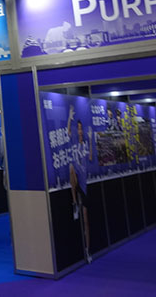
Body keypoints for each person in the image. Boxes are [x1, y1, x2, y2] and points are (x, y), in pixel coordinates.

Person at [67, 105, 94, 262]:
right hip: (75, 181)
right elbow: (68, 132)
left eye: (80, 129)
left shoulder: (83, 146)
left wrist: (90, 140)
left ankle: (88, 251)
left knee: (86, 221)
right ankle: (74, 203)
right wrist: (69, 117)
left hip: (84, 185)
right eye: (77, 129)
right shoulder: (74, 144)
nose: (79, 131)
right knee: (71, 167)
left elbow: (90, 158)